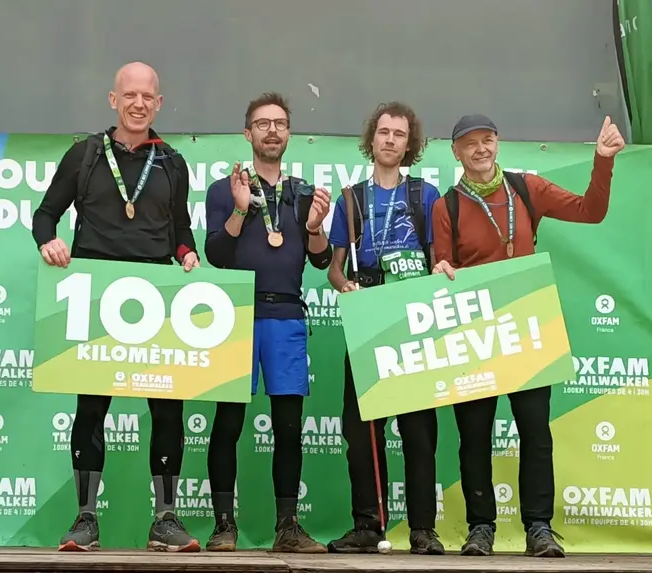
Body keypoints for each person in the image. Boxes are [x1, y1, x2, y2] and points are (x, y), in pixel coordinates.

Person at [431, 113, 625, 559]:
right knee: (474, 434)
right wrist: (441, 269)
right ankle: (481, 528)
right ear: (456, 152)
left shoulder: (526, 188)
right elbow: (441, 265)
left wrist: (603, 160)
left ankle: (539, 527)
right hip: (476, 331)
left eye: (488, 140)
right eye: (470, 143)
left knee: (535, 431)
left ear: (497, 143)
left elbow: (591, 212)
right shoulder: (448, 206)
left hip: (527, 325)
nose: (480, 148)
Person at [31, 62, 202, 553]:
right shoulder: (84, 154)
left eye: (147, 96)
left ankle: (165, 520)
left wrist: (188, 254)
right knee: (91, 409)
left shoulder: (171, 162)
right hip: (96, 297)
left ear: (159, 103)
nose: (138, 103)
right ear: (113, 100)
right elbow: (45, 215)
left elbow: (180, 229)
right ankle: (85, 520)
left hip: (159, 297)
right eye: (129, 95)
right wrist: (50, 242)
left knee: (169, 409)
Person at [203, 92, 332, 554]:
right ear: (248, 133)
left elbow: (320, 262)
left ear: (289, 134)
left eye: (279, 123)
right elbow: (216, 255)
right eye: (262, 123)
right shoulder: (225, 188)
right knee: (228, 423)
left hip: (287, 314)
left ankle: (288, 528)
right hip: (235, 316)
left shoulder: (301, 193)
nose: (272, 130)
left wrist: (316, 227)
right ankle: (223, 526)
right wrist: (240, 209)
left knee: (289, 426)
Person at [325, 102, 453, 556]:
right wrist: (347, 288)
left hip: (412, 316)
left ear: (409, 143)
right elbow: (334, 271)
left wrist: (441, 268)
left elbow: (440, 255)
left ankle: (422, 529)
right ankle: (367, 525)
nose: (390, 140)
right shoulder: (350, 199)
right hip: (368, 312)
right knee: (361, 429)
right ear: (371, 139)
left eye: (399, 134)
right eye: (383, 132)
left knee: (418, 429)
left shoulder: (427, 195)